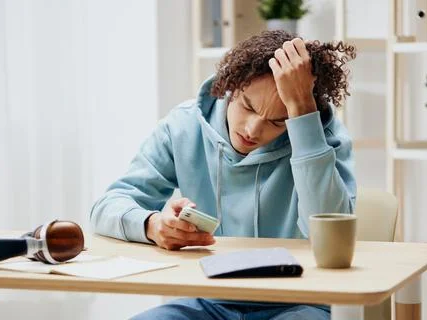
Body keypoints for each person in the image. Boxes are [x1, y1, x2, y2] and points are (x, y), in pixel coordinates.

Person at [90, 30, 357, 320]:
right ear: (231, 85)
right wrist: (153, 226)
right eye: (247, 106)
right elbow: (107, 207)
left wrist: (303, 116)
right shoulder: (184, 126)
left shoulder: (325, 138)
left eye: (278, 121)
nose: (253, 129)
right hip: (208, 301)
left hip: (301, 303)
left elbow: (330, 235)